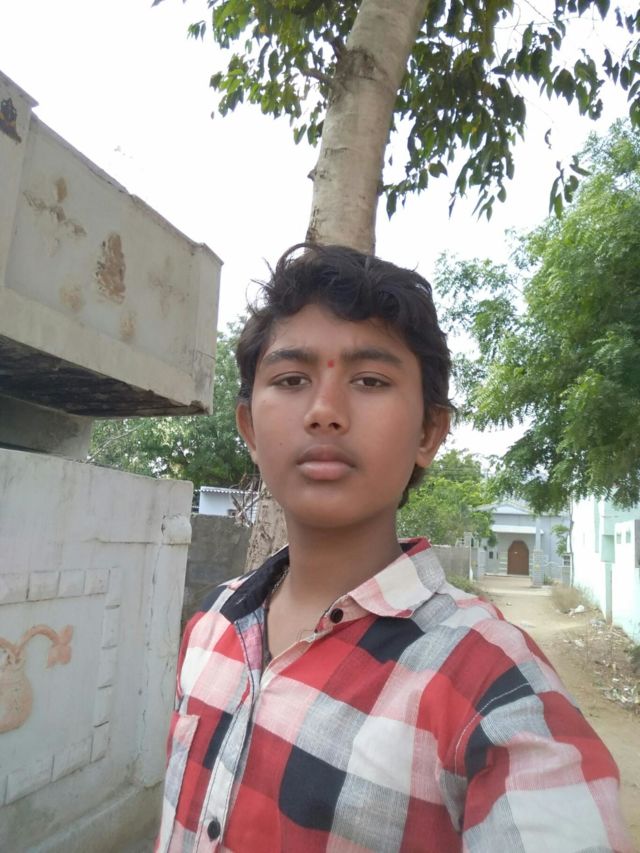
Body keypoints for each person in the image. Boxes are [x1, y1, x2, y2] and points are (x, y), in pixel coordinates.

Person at [157, 243, 632, 852]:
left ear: (429, 432)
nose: (325, 412)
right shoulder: (210, 625)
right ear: (249, 427)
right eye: (292, 379)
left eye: (370, 381)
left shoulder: (493, 689)